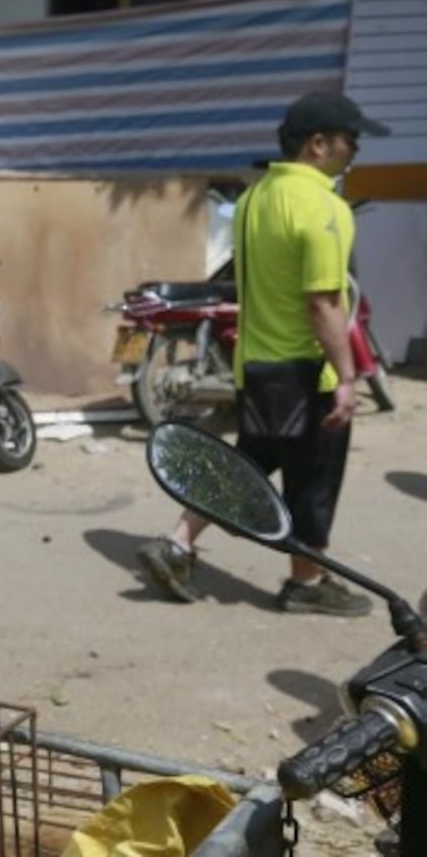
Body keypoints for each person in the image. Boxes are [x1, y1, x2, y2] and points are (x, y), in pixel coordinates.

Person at [137, 91, 390, 617]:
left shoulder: (255, 196)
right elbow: (322, 301)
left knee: (251, 463)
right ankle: (306, 582)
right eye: (351, 140)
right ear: (318, 144)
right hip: (306, 373)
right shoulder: (324, 207)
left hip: (257, 364)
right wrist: (347, 376)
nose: (356, 150)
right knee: (315, 480)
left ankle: (177, 542)